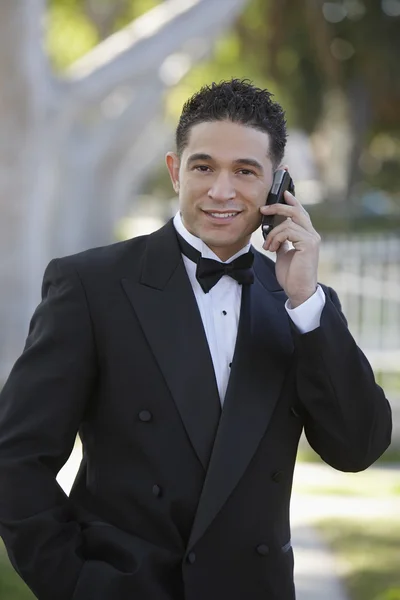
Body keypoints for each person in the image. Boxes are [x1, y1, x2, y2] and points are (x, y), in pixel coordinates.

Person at [0, 79, 392, 600]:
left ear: (278, 184)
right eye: (203, 167)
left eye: (245, 172)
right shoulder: (91, 286)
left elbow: (357, 448)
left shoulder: (302, 304)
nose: (222, 191)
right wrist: (77, 584)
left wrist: (307, 302)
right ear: (174, 171)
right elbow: (16, 460)